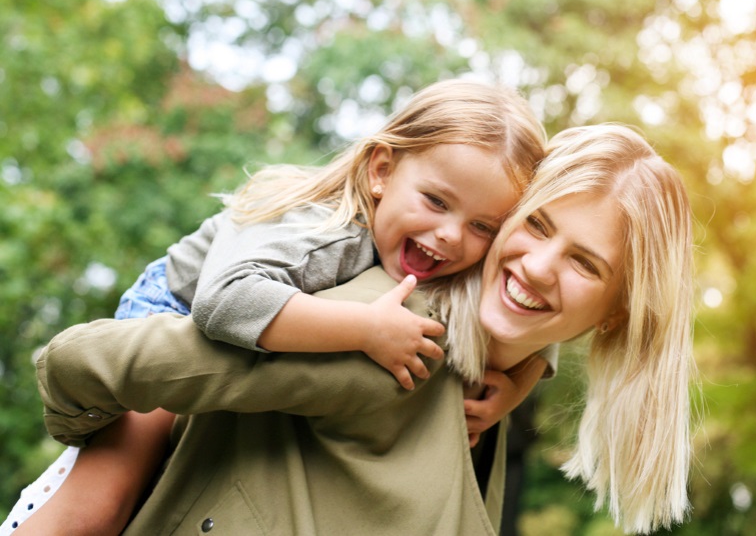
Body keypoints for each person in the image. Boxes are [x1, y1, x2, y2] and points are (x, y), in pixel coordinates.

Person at [28, 124, 695, 534]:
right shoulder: (389, 332)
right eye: (539, 226)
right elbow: (89, 361)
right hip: (185, 300)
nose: (540, 266)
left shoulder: (488, 383)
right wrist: (86, 425)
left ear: (615, 313)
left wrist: (523, 377)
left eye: (584, 263)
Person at [1, 78, 550, 534]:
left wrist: (519, 383)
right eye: (436, 201)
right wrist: (364, 329)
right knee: (104, 501)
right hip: (178, 306)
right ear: (381, 171)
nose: (452, 236)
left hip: (254, 325)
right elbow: (224, 302)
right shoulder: (321, 233)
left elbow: (534, 313)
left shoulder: (444, 254)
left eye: (483, 226)